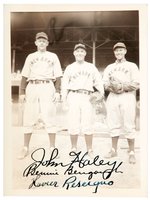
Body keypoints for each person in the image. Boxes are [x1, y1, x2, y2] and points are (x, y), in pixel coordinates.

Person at [18, 32, 62, 159]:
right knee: (29, 116)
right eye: (39, 40)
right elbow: (24, 75)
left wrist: (58, 91)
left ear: (47, 43)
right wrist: (21, 91)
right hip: (32, 85)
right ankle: (25, 147)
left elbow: (58, 75)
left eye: (44, 41)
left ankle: (52, 147)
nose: (42, 42)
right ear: (36, 43)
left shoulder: (53, 56)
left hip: (48, 85)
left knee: (50, 116)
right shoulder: (30, 56)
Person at [61, 43, 104, 158]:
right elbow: (64, 85)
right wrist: (63, 99)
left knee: (88, 122)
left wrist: (101, 93)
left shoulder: (91, 66)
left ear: (85, 53)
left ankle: (89, 149)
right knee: (73, 122)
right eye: (77, 51)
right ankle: (74, 147)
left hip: (87, 96)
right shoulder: (70, 67)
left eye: (82, 51)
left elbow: (98, 81)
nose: (80, 53)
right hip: (73, 95)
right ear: (74, 53)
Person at [102, 42, 140, 164]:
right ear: (114, 53)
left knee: (129, 124)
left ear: (125, 51)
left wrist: (121, 86)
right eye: (116, 51)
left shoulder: (132, 66)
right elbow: (105, 83)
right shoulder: (109, 67)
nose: (118, 52)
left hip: (127, 96)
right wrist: (112, 87)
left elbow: (137, 83)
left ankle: (132, 152)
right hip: (113, 96)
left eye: (121, 50)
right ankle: (113, 150)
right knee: (113, 123)